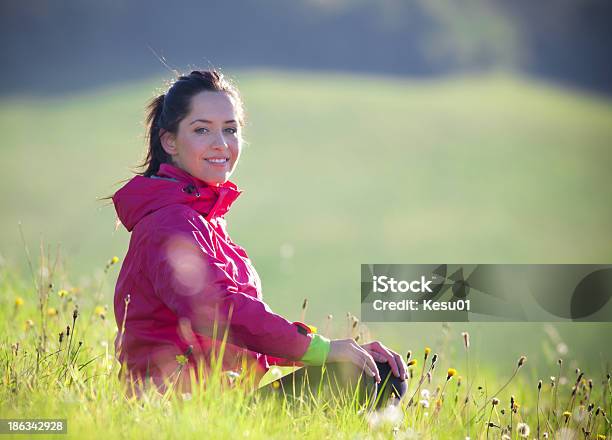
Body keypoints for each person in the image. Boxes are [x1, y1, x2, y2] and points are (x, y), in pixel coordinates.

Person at [111, 69, 407, 406]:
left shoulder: (203, 222)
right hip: (177, 413)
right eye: (202, 129)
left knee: (377, 372)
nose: (220, 143)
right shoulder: (170, 223)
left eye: (230, 130)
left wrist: (334, 350)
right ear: (170, 141)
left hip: (224, 405)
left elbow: (246, 335)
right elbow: (219, 313)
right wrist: (322, 350)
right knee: (368, 379)